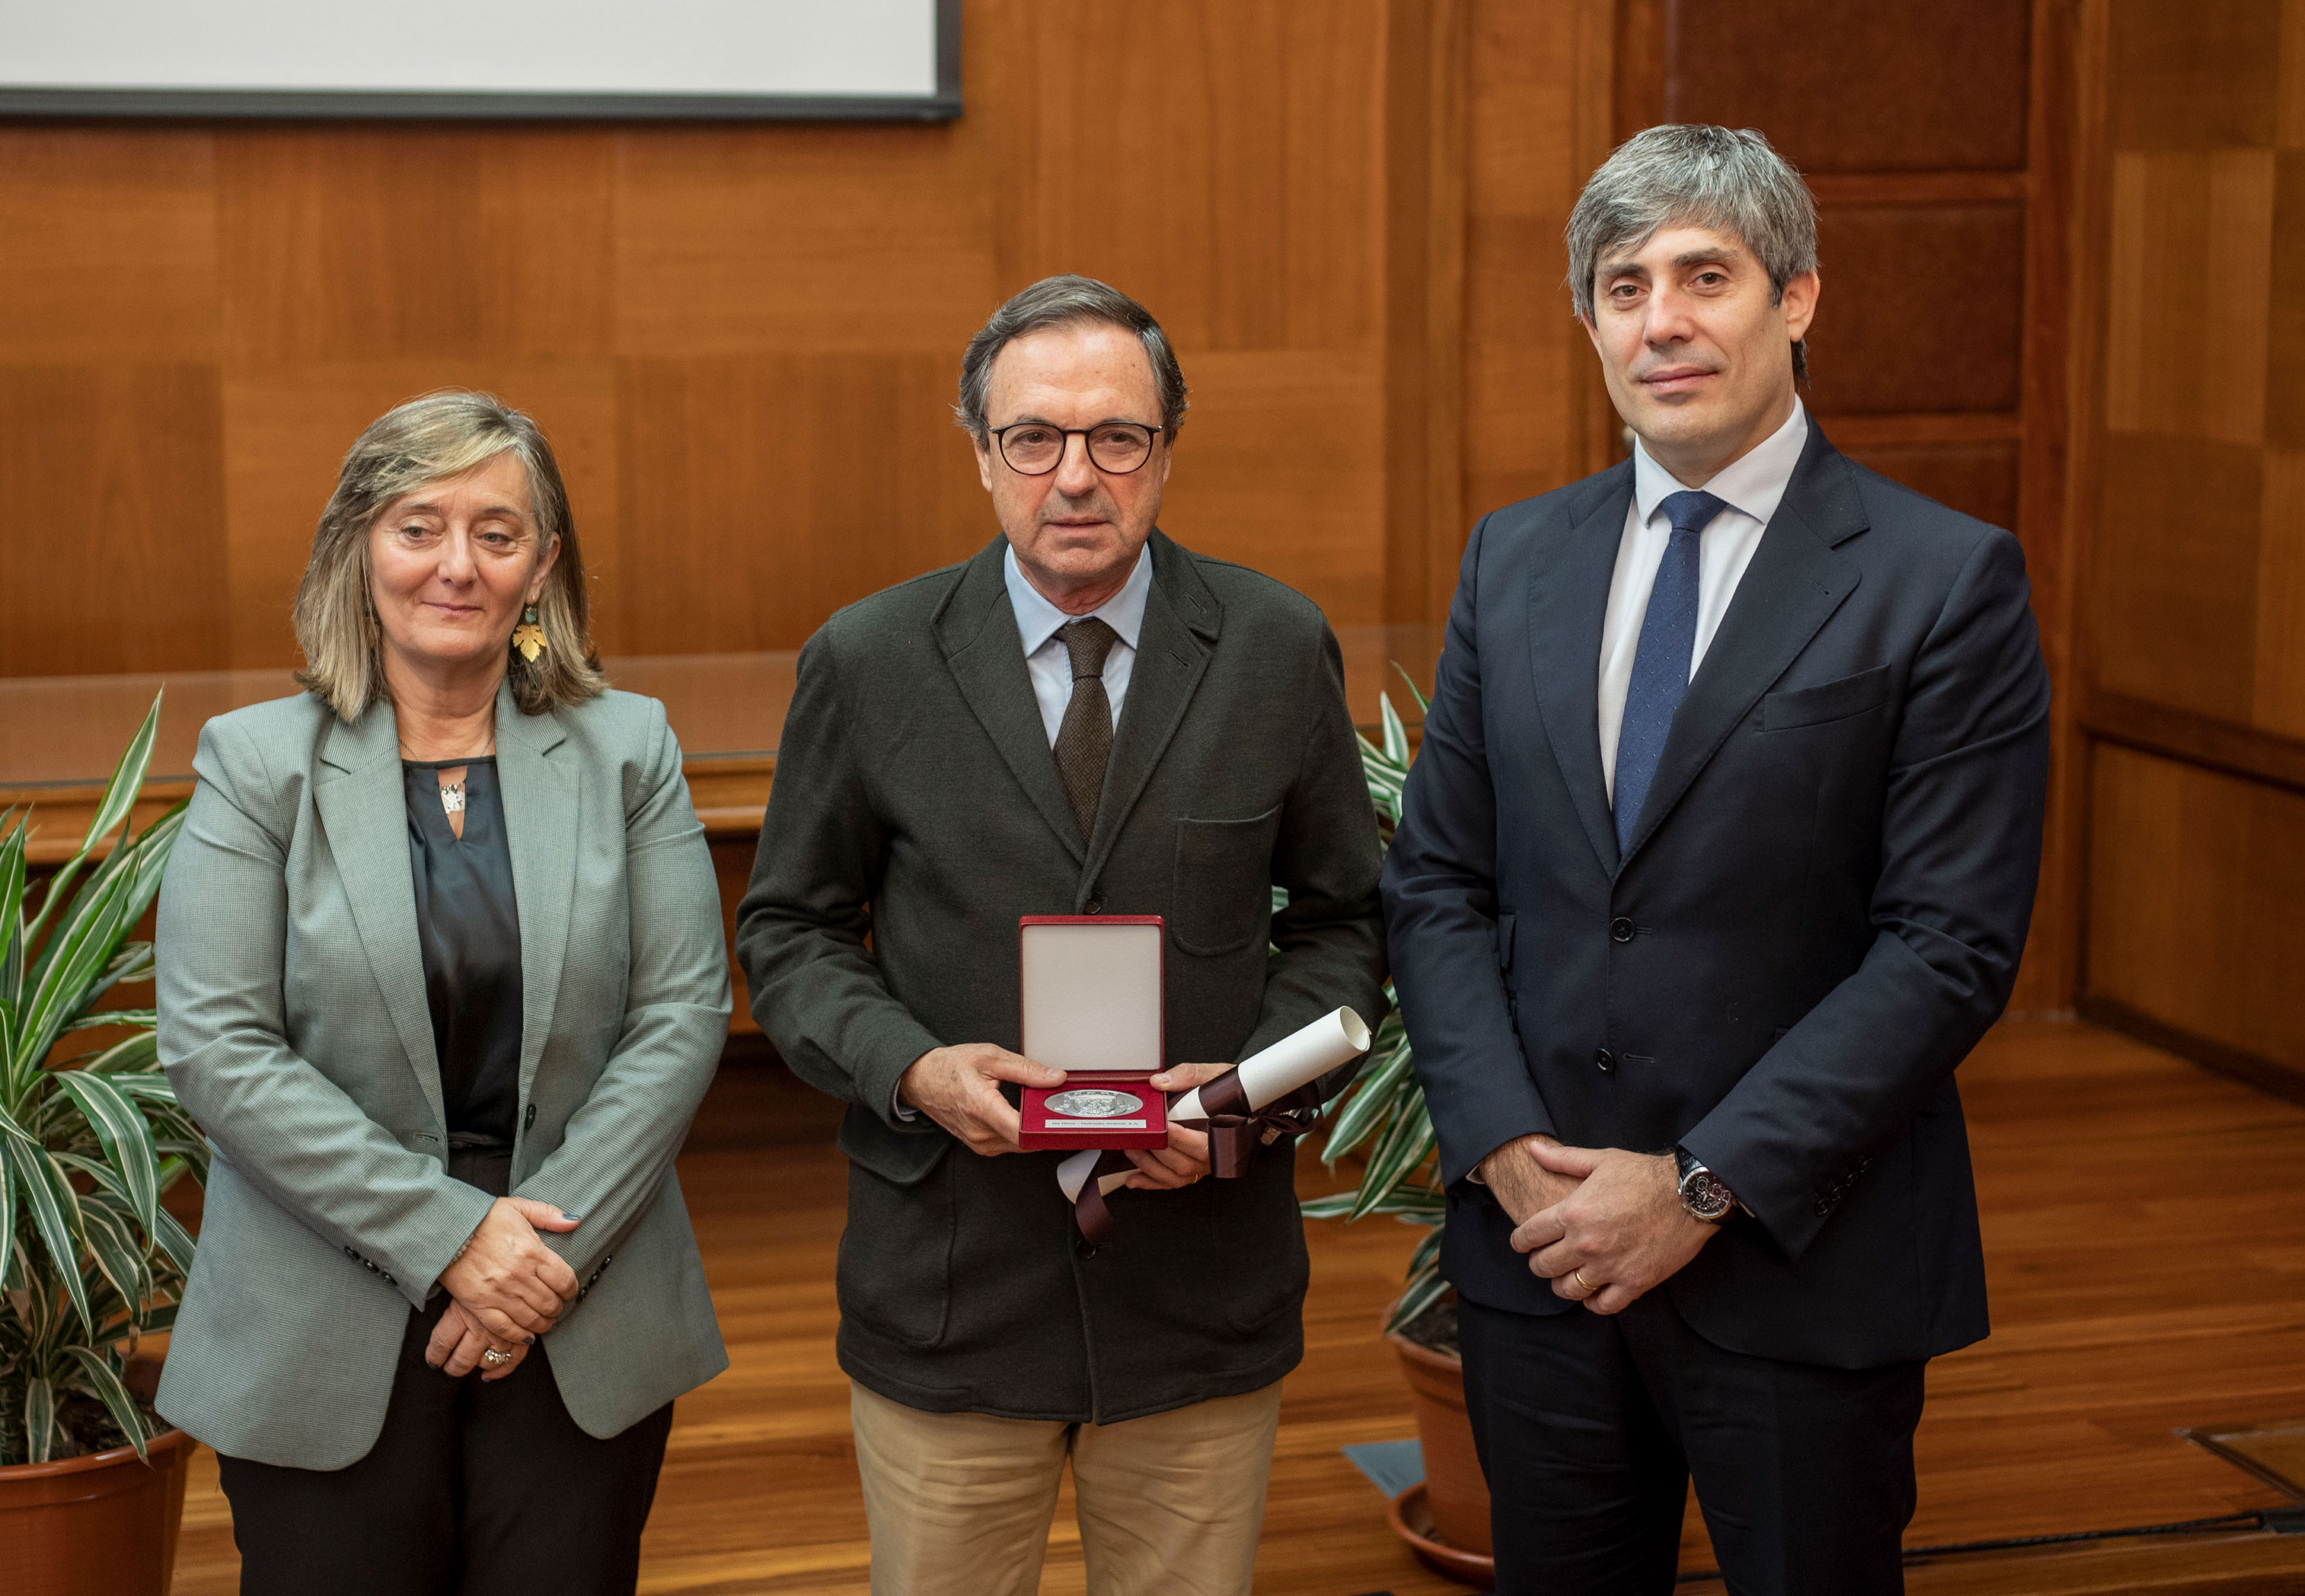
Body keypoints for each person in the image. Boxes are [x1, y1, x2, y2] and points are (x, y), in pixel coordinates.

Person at [1382, 126, 2051, 1594]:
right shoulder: (1514, 557)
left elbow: (1947, 944)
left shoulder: (1942, 578)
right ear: (1592, 323)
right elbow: (1439, 880)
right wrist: (1500, 1145)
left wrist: (1695, 1188)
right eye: (1626, 286)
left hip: (1805, 1262)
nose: (1663, 320)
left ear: (1796, 298)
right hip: (1542, 1253)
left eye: (1707, 275)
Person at [736, 275, 1387, 1596]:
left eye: (1116, 438)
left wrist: (1241, 1102)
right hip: (955, 1285)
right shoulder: (869, 659)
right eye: (1033, 437)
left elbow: (1343, 921)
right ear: (981, 453)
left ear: (1166, 452)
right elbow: (790, 932)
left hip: (1200, 1281)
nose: (1074, 475)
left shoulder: (1271, 645)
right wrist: (916, 1069)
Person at [154, 391, 732, 1596]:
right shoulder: (257, 762)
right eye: (419, 526)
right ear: (361, 547)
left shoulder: (631, 747)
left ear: (544, 567)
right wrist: (456, 1237)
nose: (456, 565)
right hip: (322, 1304)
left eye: (497, 531)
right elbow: (217, 1047)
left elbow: (681, 1014)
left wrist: (533, 1260)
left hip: (582, 1283)